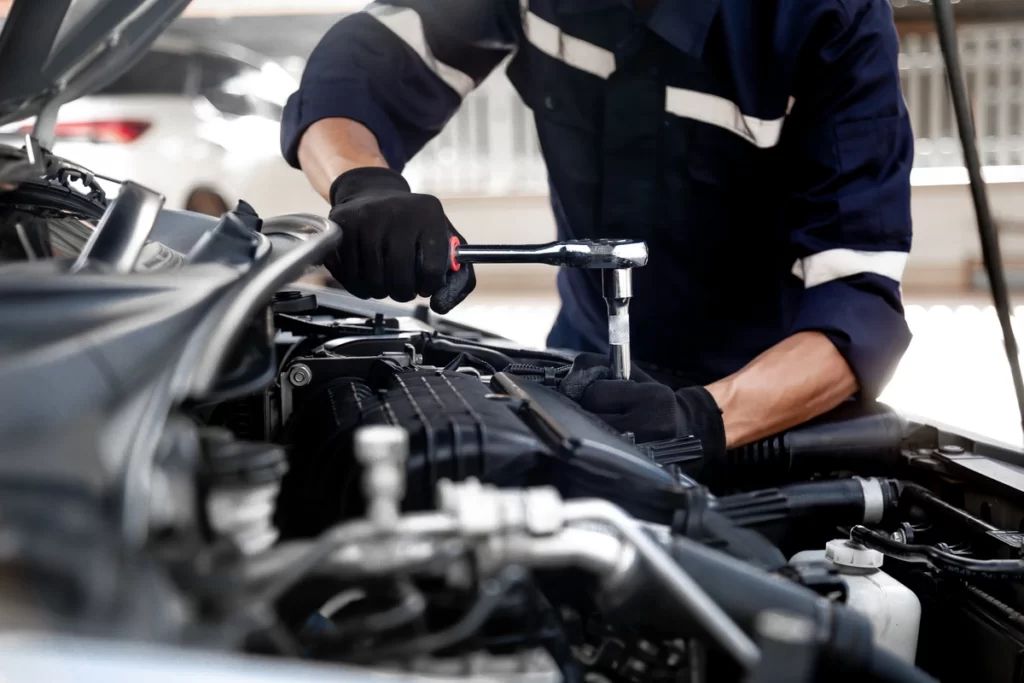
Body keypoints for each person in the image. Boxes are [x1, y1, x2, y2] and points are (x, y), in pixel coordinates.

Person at [281, 0, 913, 457]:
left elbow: (858, 305)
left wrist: (705, 417)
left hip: (757, 404)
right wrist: (363, 184)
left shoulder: (829, 16)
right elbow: (363, 65)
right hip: (578, 366)